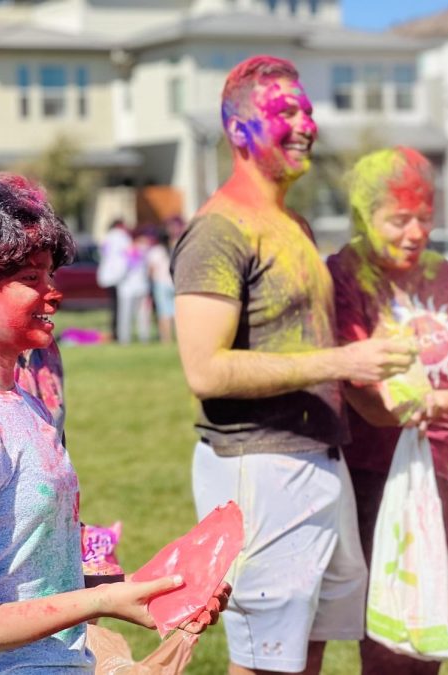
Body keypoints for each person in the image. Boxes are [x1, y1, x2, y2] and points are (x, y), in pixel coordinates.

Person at [0, 176, 226, 672]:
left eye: (50, 274)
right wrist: (95, 605)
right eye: (31, 278)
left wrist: (139, 589)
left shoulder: (21, 405)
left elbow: (26, 584)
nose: (53, 294)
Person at [171, 55, 416, 675]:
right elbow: (204, 370)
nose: (306, 123)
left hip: (319, 458)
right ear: (238, 129)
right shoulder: (217, 232)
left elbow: (316, 353)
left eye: (307, 110)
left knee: (306, 650)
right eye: (286, 112)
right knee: (262, 662)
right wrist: (344, 358)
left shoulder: (292, 224)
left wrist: (386, 383)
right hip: (261, 467)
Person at [326, 147, 448, 675]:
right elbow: (372, 400)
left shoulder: (443, 274)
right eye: (399, 219)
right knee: (388, 642)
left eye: (425, 218)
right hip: (371, 482)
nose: (415, 232)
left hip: (435, 471)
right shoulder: (346, 275)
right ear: (365, 216)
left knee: (429, 631)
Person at [96, 219, 131, 342]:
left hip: (108, 276)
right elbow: (128, 255)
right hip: (120, 276)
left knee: (114, 307)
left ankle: (115, 330)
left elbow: (102, 254)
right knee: (120, 308)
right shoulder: (122, 237)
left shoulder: (107, 237)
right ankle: (118, 332)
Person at [146, 227, 176, 343]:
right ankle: (177, 337)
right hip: (173, 284)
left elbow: (151, 270)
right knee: (175, 313)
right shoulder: (172, 250)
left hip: (161, 284)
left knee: (164, 313)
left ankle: (166, 338)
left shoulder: (155, 252)